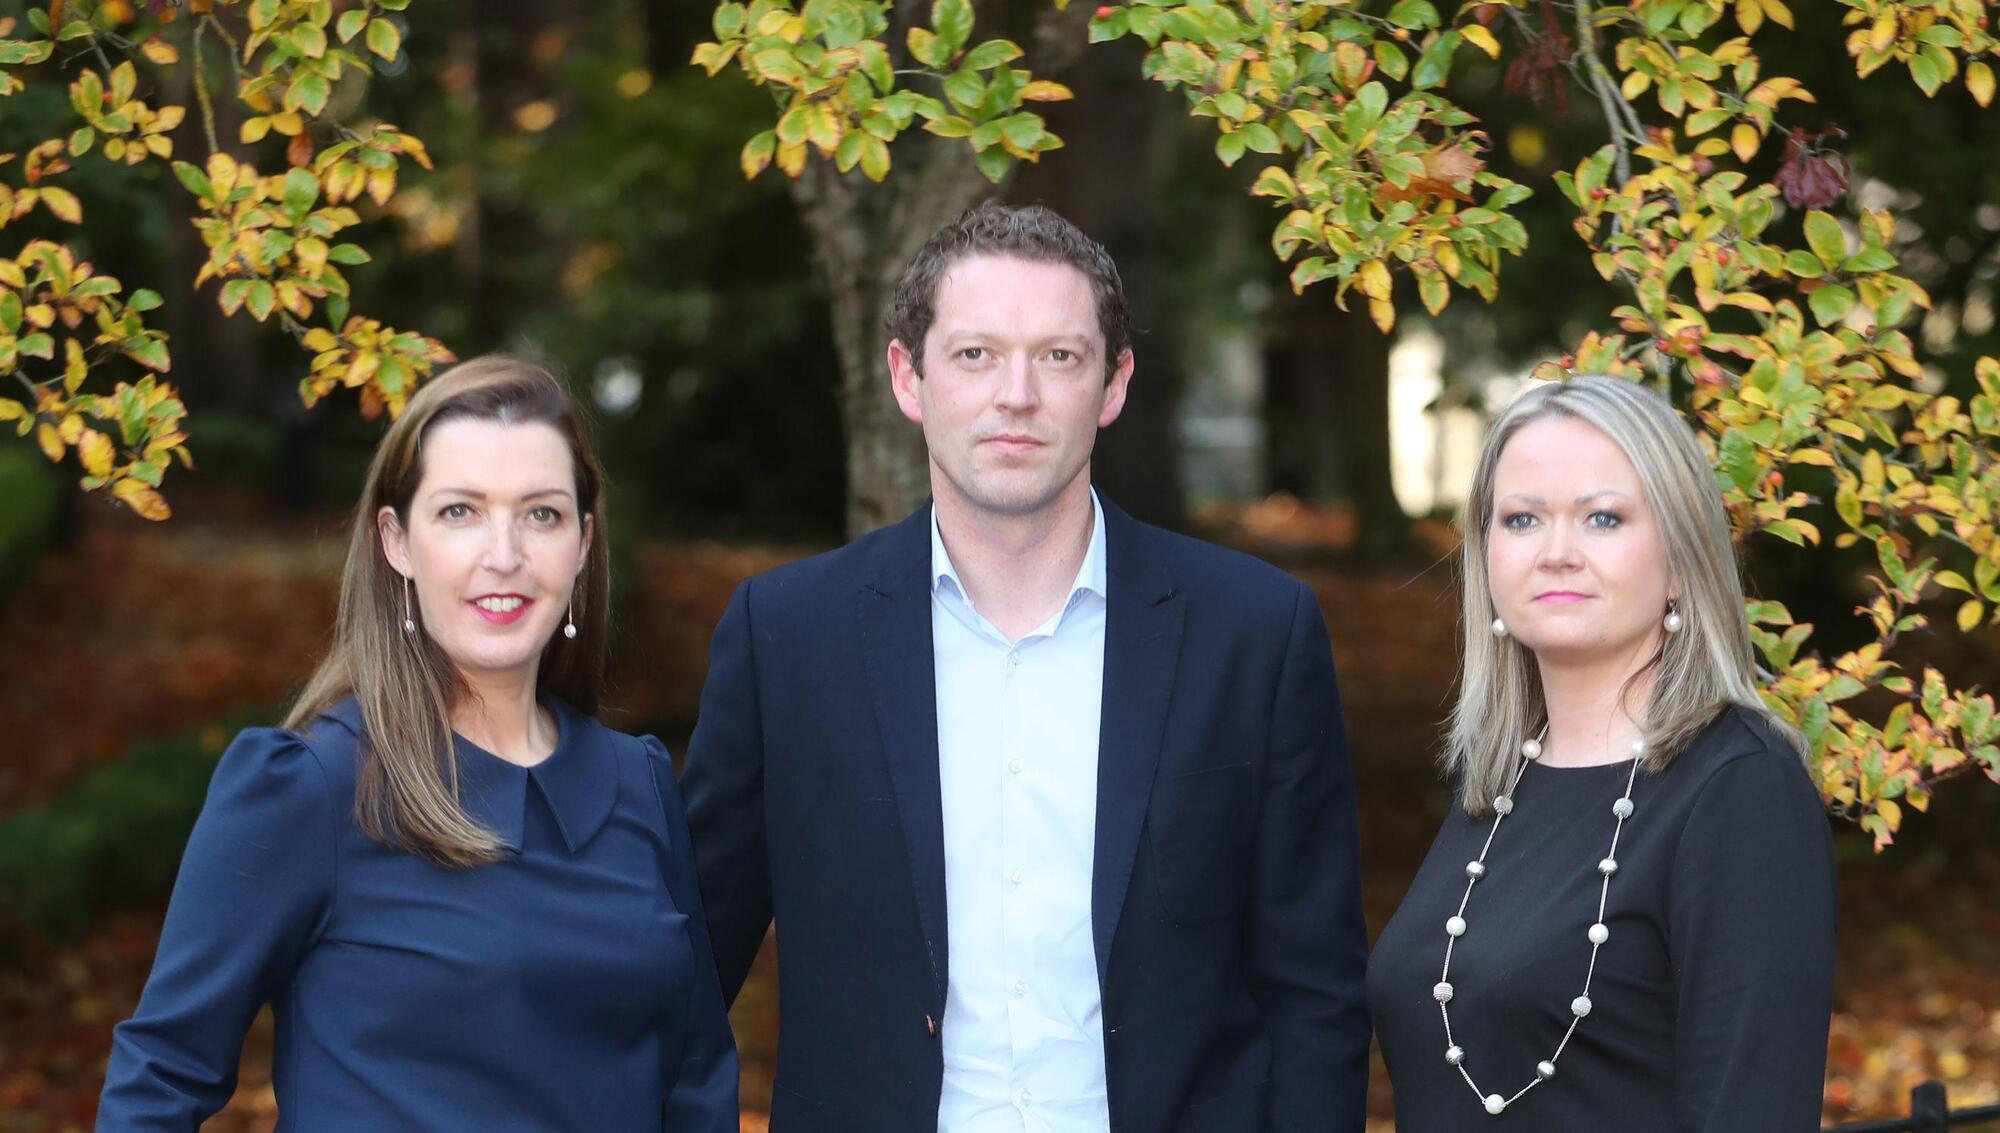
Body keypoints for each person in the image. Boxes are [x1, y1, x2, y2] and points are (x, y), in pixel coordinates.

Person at [680, 202, 1371, 1133]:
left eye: (1058, 355)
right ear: (908, 377)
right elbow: (687, 974)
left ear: (1113, 384)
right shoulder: (787, 638)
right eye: (975, 354)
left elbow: (1317, 992)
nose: (1017, 394)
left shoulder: (1254, 633)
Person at [97, 357, 737, 1131]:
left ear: (583, 542)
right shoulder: (312, 786)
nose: (504, 554)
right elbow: (157, 1083)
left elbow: (698, 1083)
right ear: (396, 541)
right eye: (460, 511)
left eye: (541, 514)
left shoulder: (640, 783)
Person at [1368, 375, 1836, 1130]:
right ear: (1486, 556)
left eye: (1603, 518)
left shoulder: (1741, 786)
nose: (1557, 553)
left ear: (1681, 561)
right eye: (1522, 519)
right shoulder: (1500, 779)